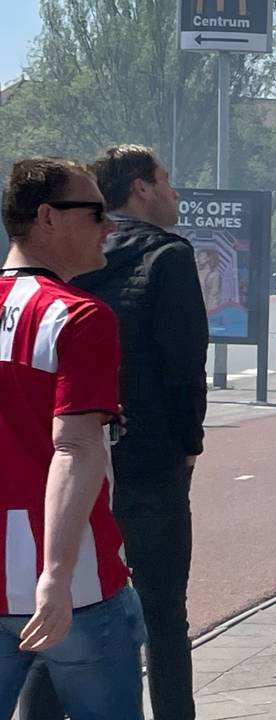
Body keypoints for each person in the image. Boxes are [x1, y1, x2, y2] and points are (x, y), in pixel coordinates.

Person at [0, 157, 145, 718]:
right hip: (74, 586)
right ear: (47, 218)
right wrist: (56, 576)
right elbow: (76, 448)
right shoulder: (79, 316)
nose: (109, 225)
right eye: (94, 213)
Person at [71, 144, 206, 720]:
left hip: (78, 456)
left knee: (73, 603)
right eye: (167, 180)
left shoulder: (78, 256)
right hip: (151, 457)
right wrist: (190, 444)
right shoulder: (169, 256)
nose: (175, 192)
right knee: (163, 613)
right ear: (140, 187)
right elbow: (183, 362)